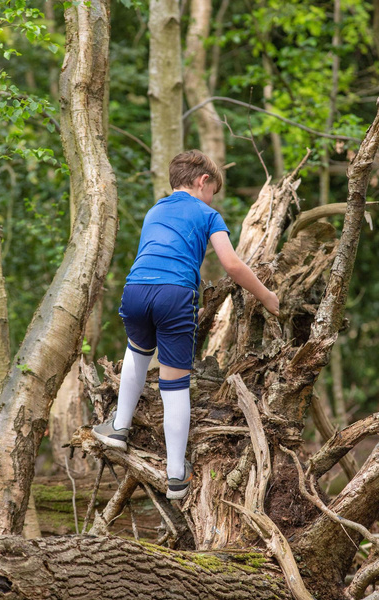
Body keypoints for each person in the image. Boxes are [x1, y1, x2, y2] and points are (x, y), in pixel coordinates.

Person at [92, 150, 279, 500]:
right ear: (202, 181)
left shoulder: (155, 209)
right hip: (174, 293)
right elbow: (233, 266)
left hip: (135, 288)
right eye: (213, 190)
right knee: (174, 382)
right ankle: (177, 476)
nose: (213, 198)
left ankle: (118, 427)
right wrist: (268, 296)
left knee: (138, 349)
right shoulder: (208, 213)